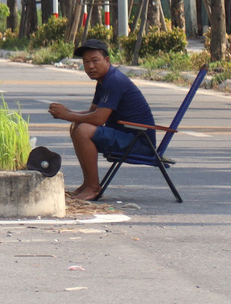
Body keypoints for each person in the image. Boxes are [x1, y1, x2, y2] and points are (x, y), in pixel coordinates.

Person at [47, 37, 156, 202]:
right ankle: (88, 183)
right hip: (125, 136)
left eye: (95, 60)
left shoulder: (114, 81)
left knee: (84, 130)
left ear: (107, 60)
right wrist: (69, 113)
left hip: (139, 141)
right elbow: (93, 112)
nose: (90, 66)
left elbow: (98, 119)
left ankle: (93, 187)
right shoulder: (104, 81)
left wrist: (67, 115)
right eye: (86, 62)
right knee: (78, 125)